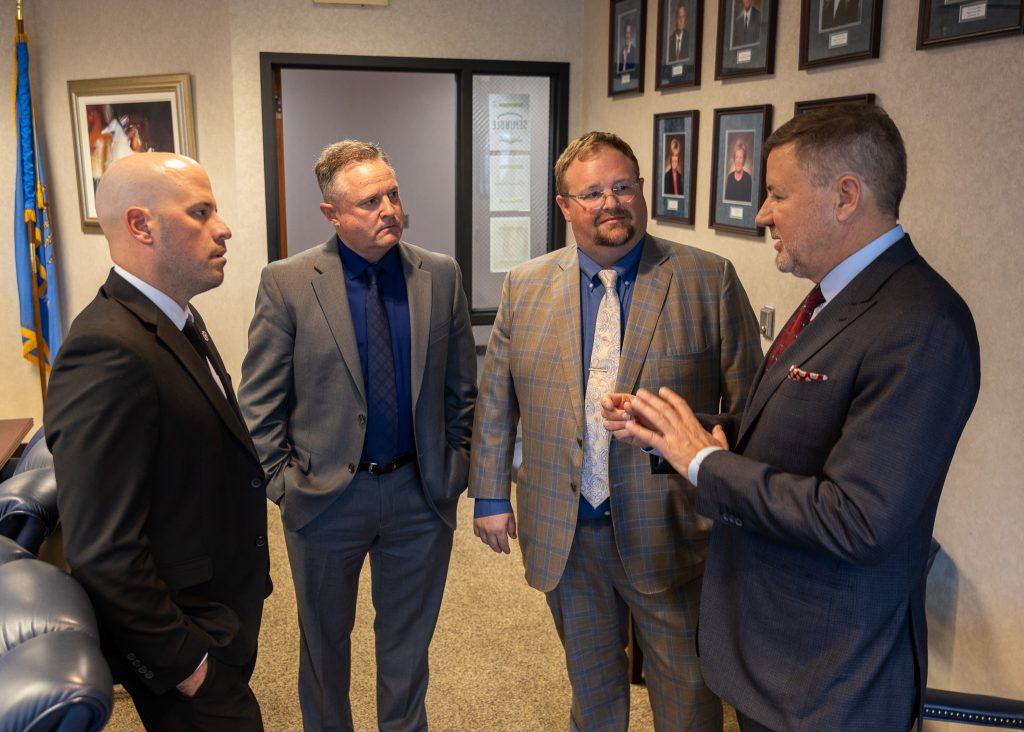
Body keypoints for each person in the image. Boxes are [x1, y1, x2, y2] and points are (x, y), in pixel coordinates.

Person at [604, 104, 981, 731]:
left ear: (845, 196)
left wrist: (704, 461)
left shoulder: (921, 326)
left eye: (777, 194)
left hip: (831, 673)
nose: (762, 214)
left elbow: (858, 520)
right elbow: (781, 429)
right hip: (777, 651)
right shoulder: (834, 298)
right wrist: (675, 429)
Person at [470, 131, 762, 731]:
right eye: (594, 192)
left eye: (624, 186)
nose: (612, 203)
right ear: (565, 207)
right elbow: (497, 398)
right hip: (566, 528)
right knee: (592, 686)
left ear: (642, 192)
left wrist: (676, 441)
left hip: (671, 528)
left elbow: (752, 410)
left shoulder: (708, 280)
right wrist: (492, 494)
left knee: (688, 696)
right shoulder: (525, 286)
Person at [237, 140, 476, 731]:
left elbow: (462, 390)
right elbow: (259, 403)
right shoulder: (288, 282)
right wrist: (284, 485)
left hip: (419, 495)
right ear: (332, 214)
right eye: (370, 201)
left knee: (407, 647)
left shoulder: (439, 275)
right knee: (324, 647)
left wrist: (456, 463)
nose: (389, 209)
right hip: (323, 501)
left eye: (393, 193)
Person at [44, 153, 271, 731]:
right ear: (141, 226)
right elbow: (101, 547)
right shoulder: (107, 348)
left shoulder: (173, 318)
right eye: (201, 212)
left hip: (219, 609)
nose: (223, 228)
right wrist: (188, 664)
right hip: (185, 642)